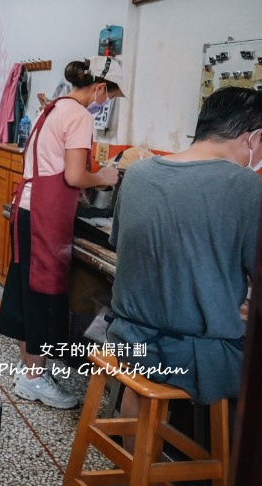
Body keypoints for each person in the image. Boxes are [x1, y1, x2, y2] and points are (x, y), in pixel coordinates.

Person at [107, 86, 262, 409]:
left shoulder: (137, 172)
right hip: (197, 356)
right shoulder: (248, 188)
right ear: (253, 138)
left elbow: (122, 245)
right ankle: (225, 460)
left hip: (128, 340)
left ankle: (135, 455)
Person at [0, 55, 124, 408]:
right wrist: (104, 177)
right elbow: (74, 176)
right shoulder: (79, 116)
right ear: (99, 87)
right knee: (43, 293)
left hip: (27, 209)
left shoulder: (53, 108)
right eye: (110, 95)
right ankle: (35, 379)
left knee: (26, 290)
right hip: (46, 213)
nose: (107, 103)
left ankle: (31, 373)